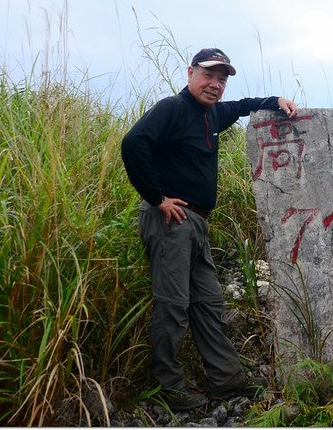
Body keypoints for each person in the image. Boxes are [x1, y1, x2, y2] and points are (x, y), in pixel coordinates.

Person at [121, 47, 297, 411]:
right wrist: (157, 199)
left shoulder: (213, 114)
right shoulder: (172, 108)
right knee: (173, 305)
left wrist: (275, 99)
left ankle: (225, 381)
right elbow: (133, 143)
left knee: (209, 303)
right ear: (190, 73)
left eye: (222, 78)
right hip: (170, 220)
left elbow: (245, 104)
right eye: (209, 75)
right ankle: (168, 386)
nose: (215, 84)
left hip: (197, 223)